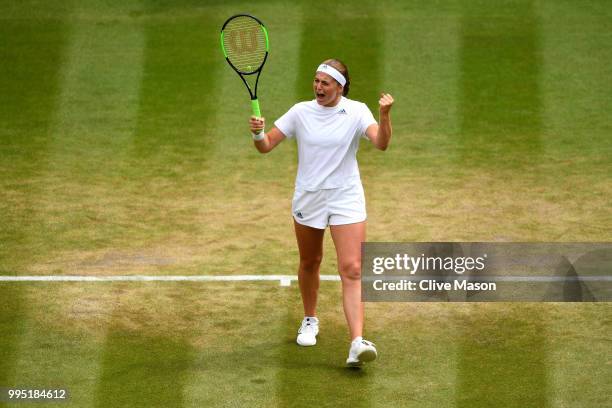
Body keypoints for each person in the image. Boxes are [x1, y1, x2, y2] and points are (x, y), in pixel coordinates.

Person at [248, 59, 394, 366]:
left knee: (352, 268)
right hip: (309, 197)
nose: (318, 87)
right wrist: (259, 134)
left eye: (325, 83)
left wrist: (384, 116)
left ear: (340, 87)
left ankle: (356, 341)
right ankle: (310, 319)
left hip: (346, 198)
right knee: (310, 261)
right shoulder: (300, 112)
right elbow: (266, 146)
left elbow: (380, 143)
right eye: (316, 81)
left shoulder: (356, 111)